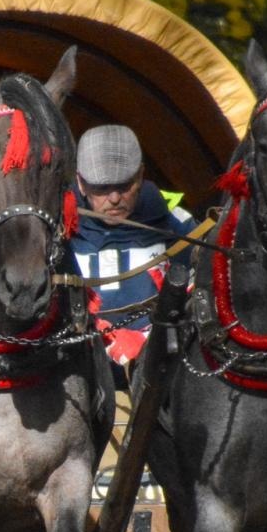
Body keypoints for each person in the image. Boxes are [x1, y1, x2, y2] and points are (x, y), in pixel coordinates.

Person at [68, 125, 195, 368]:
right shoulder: (59, 232)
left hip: (160, 365)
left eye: (124, 186)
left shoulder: (178, 225)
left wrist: (150, 340)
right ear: (81, 183)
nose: (115, 199)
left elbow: (203, 291)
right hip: (82, 367)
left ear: (140, 176)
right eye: (101, 188)